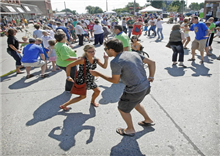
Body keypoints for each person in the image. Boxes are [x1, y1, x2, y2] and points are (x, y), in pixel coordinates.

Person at [90, 38, 156, 136]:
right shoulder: (133, 53)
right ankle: (148, 120)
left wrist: (98, 74)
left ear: (111, 50)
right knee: (136, 103)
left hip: (134, 90)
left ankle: (130, 129)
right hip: (146, 86)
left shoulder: (116, 61)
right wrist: (151, 76)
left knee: (122, 109)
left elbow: (115, 81)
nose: (105, 51)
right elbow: (152, 62)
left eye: (105, 49)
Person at [59, 45, 109, 110]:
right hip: (82, 79)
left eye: (93, 51)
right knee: (82, 96)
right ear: (86, 52)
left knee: (97, 91)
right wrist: (68, 76)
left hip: (90, 79)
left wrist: (106, 59)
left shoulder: (96, 59)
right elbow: (68, 66)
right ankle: (64, 105)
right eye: (90, 52)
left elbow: (104, 67)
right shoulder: (82, 60)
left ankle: (92, 101)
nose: (92, 53)